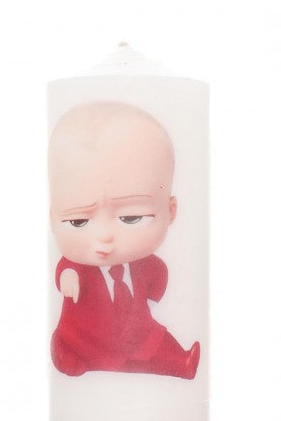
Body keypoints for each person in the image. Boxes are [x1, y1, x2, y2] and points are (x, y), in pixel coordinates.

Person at [48, 101, 199, 379]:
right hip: (88, 336)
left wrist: (154, 294)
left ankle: (182, 364)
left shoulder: (144, 265)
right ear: (52, 216)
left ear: (170, 211)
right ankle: (67, 349)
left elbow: (156, 275)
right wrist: (67, 276)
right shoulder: (78, 266)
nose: (104, 237)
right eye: (79, 221)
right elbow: (66, 270)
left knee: (156, 344)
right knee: (83, 352)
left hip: (138, 331)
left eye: (130, 218)